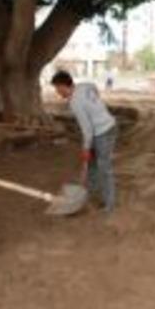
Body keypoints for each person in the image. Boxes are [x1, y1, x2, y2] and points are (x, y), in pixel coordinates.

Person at [50, 70, 118, 212]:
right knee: (91, 164)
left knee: (103, 168)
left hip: (103, 132)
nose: (57, 92)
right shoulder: (83, 86)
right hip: (109, 125)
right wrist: (95, 106)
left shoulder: (75, 102)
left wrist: (86, 148)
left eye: (57, 88)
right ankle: (89, 192)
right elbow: (93, 86)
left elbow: (87, 129)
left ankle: (109, 204)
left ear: (63, 86)